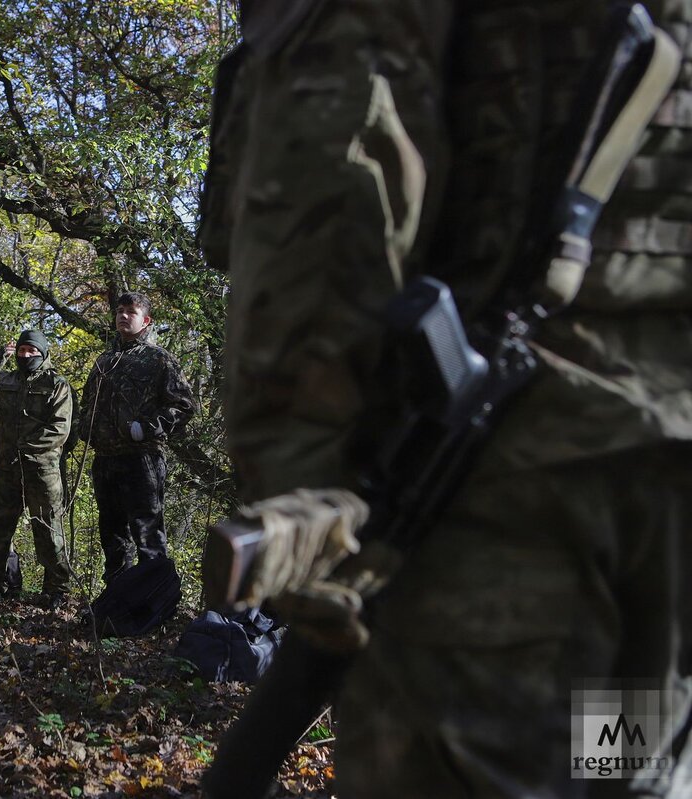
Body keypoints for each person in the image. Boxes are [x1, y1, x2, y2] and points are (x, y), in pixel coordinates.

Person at [199, 2, 692, 796]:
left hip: (511, 515)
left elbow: (333, 160)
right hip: (665, 532)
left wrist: (303, 498)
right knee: (617, 761)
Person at [78, 292, 196, 584]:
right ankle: (117, 601)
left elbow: (184, 406)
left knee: (147, 535)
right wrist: (84, 430)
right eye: (119, 310)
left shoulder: (159, 359)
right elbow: (86, 403)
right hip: (105, 459)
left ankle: (155, 606)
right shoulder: (104, 362)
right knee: (112, 536)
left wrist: (148, 427)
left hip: (142, 460)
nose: (123, 315)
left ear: (146, 320)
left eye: (131, 311)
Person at [0, 330, 73, 608]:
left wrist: (25, 446)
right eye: (22, 351)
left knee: (49, 530)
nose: (26, 356)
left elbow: (60, 429)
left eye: (32, 351)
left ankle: (56, 590)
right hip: (6, 470)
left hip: (41, 471)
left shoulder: (57, 384)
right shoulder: (6, 380)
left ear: (42, 352)